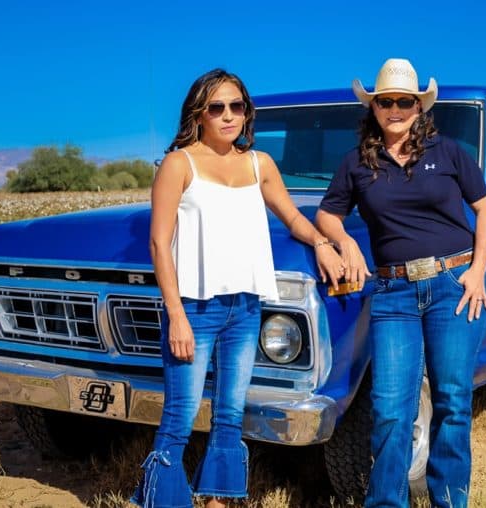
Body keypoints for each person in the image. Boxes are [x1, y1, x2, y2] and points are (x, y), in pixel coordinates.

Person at [133, 68, 343, 508]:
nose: (229, 115)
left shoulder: (258, 163)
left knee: (229, 415)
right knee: (179, 418)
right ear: (199, 113)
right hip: (194, 309)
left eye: (237, 106)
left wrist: (324, 243)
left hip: (245, 310)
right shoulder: (178, 164)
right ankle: (161, 501)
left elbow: (293, 217)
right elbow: (159, 242)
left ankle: (218, 501)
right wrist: (175, 315)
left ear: (246, 112)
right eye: (217, 107)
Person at [315, 58, 486, 508]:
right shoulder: (358, 162)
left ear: (419, 106)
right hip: (392, 294)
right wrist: (344, 242)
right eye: (386, 102)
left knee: (452, 401)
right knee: (391, 412)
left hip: (451, 286)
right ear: (373, 107)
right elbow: (326, 214)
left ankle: (450, 501)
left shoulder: (449, 151)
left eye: (404, 101)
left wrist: (476, 272)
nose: (395, 109)